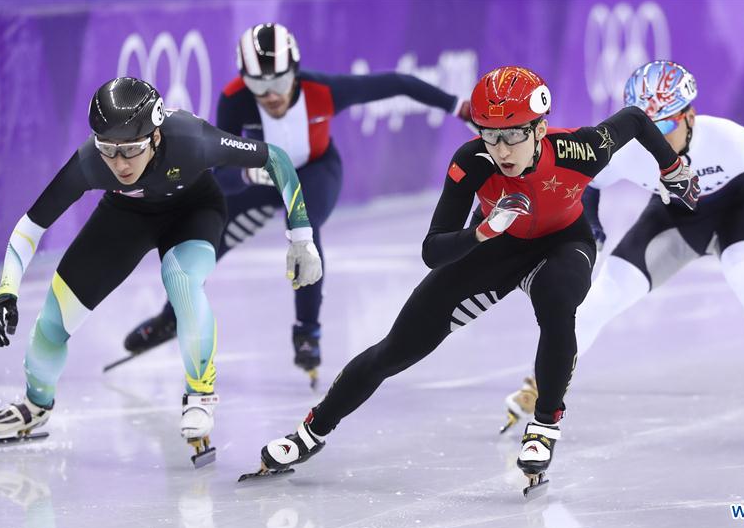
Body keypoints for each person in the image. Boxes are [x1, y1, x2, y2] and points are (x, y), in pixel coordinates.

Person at [244, 66, 699, 495]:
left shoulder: (580, 149)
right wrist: (483, 230)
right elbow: (432, 249)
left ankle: (543, 424)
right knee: (395, 350)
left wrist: (672, 168)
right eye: (489, 135)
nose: (501, 150)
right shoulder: (472, 162)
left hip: (563, 243)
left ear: (540, 130)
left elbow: (638, 119)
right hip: (494, 246)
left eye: (513, 136)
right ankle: (311, 431)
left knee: (559, 304)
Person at [500, 61, 744, 447]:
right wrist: (590, 224)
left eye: (662, 127)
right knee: (602, 296)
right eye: (642, 127)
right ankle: (543, 384)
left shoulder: (731, 140)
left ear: (690, 116)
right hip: (673, 219)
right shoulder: (627, 152)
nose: (651, 140)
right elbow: (588, 185)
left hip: (736, 212)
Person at [0, 77, 321, 466]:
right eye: (108, 150)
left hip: (193, 211)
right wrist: (6, 292)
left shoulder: (193, 140)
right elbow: (31, 226)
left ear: (157, 136)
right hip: (125, 218)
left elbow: (275, 158)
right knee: (52, 322)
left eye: (130, 149)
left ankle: (200, 394)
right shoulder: (91, 162)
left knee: (180, 277)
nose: (119, 163)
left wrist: (301, 237)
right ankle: (35, 404)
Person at [122, 23, 474, 386]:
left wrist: (458, 107)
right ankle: (169, 317)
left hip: (315, 172)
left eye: (278, 82)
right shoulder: (234, 99)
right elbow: (222, 169)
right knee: (213, 233)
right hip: (261, 176)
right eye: (258, 85)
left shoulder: (324, 90)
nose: (270, 95)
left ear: (296, 71)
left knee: (303, 223)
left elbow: (398, 83)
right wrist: (248, 178)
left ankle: (307, 331)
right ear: (245, 80)